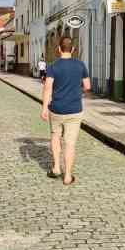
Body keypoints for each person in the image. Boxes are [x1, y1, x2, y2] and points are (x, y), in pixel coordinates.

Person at [41, 37, 89, 186]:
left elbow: (47, 88)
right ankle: (68, 176)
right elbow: (87, 86)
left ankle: (56, 168)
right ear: (73, 49)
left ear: (59, 49)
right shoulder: (80, 65)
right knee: (70, 143)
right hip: (74, 109)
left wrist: (44, 108)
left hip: (57, 109)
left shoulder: (53, 66)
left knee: (55, 136)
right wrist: (76, 91)